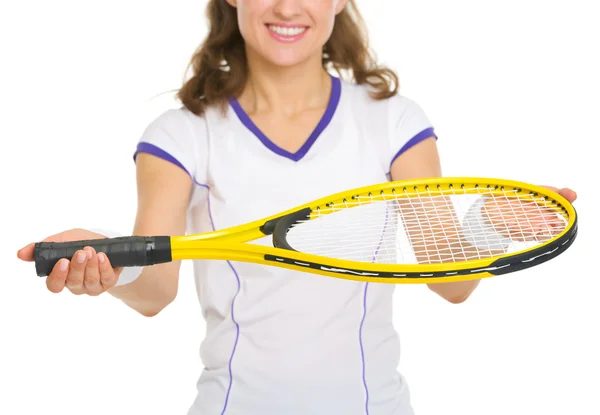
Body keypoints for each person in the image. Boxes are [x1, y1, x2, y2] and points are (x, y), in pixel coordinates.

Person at [17, 1, 577, 414]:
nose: (287, 7)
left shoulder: (393, 120)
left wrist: (487, 226)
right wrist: (107, 261)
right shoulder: (181, 133)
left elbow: (450, 281)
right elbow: (154, 291)